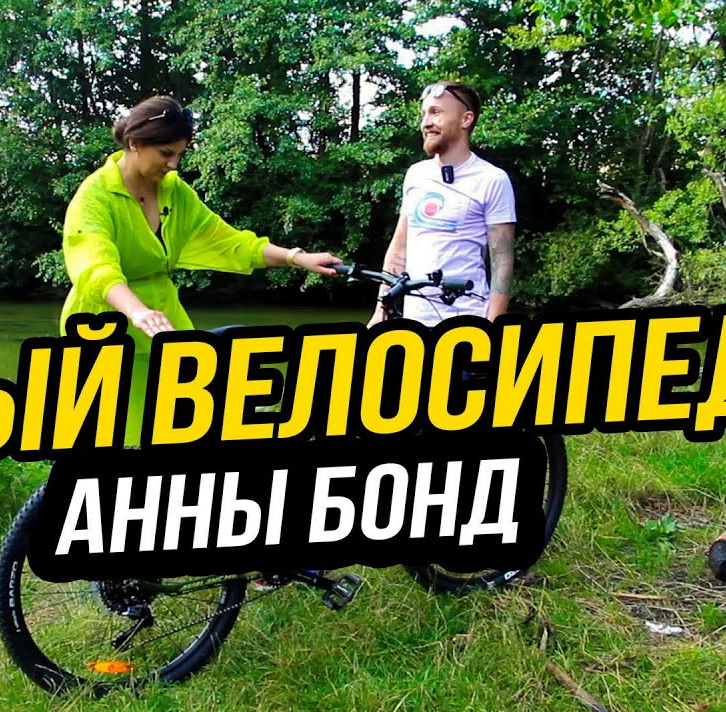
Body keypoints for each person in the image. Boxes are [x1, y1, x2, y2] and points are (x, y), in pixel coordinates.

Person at [59, 95, 342, 447]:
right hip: (107, 324)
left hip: (164, 319)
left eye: (180, 154)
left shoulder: (174, 192)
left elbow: (229, 242)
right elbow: (95, 267)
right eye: (166, 153)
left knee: (183, 423)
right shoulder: (95, 195)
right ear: (135, 143)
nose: (173, 164)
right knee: (121, 435)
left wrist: (297, 258)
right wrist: (138, 312)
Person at [368, 80, 516, 327]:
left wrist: (492, 326)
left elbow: (502, 263)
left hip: (467, 323)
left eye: (436, 112)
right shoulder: (416, 174)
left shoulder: (492, 179)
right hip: (413, 323)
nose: (426, 122)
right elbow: (399, 249)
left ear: (466, 119)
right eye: (424, 114)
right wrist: (380, 312)